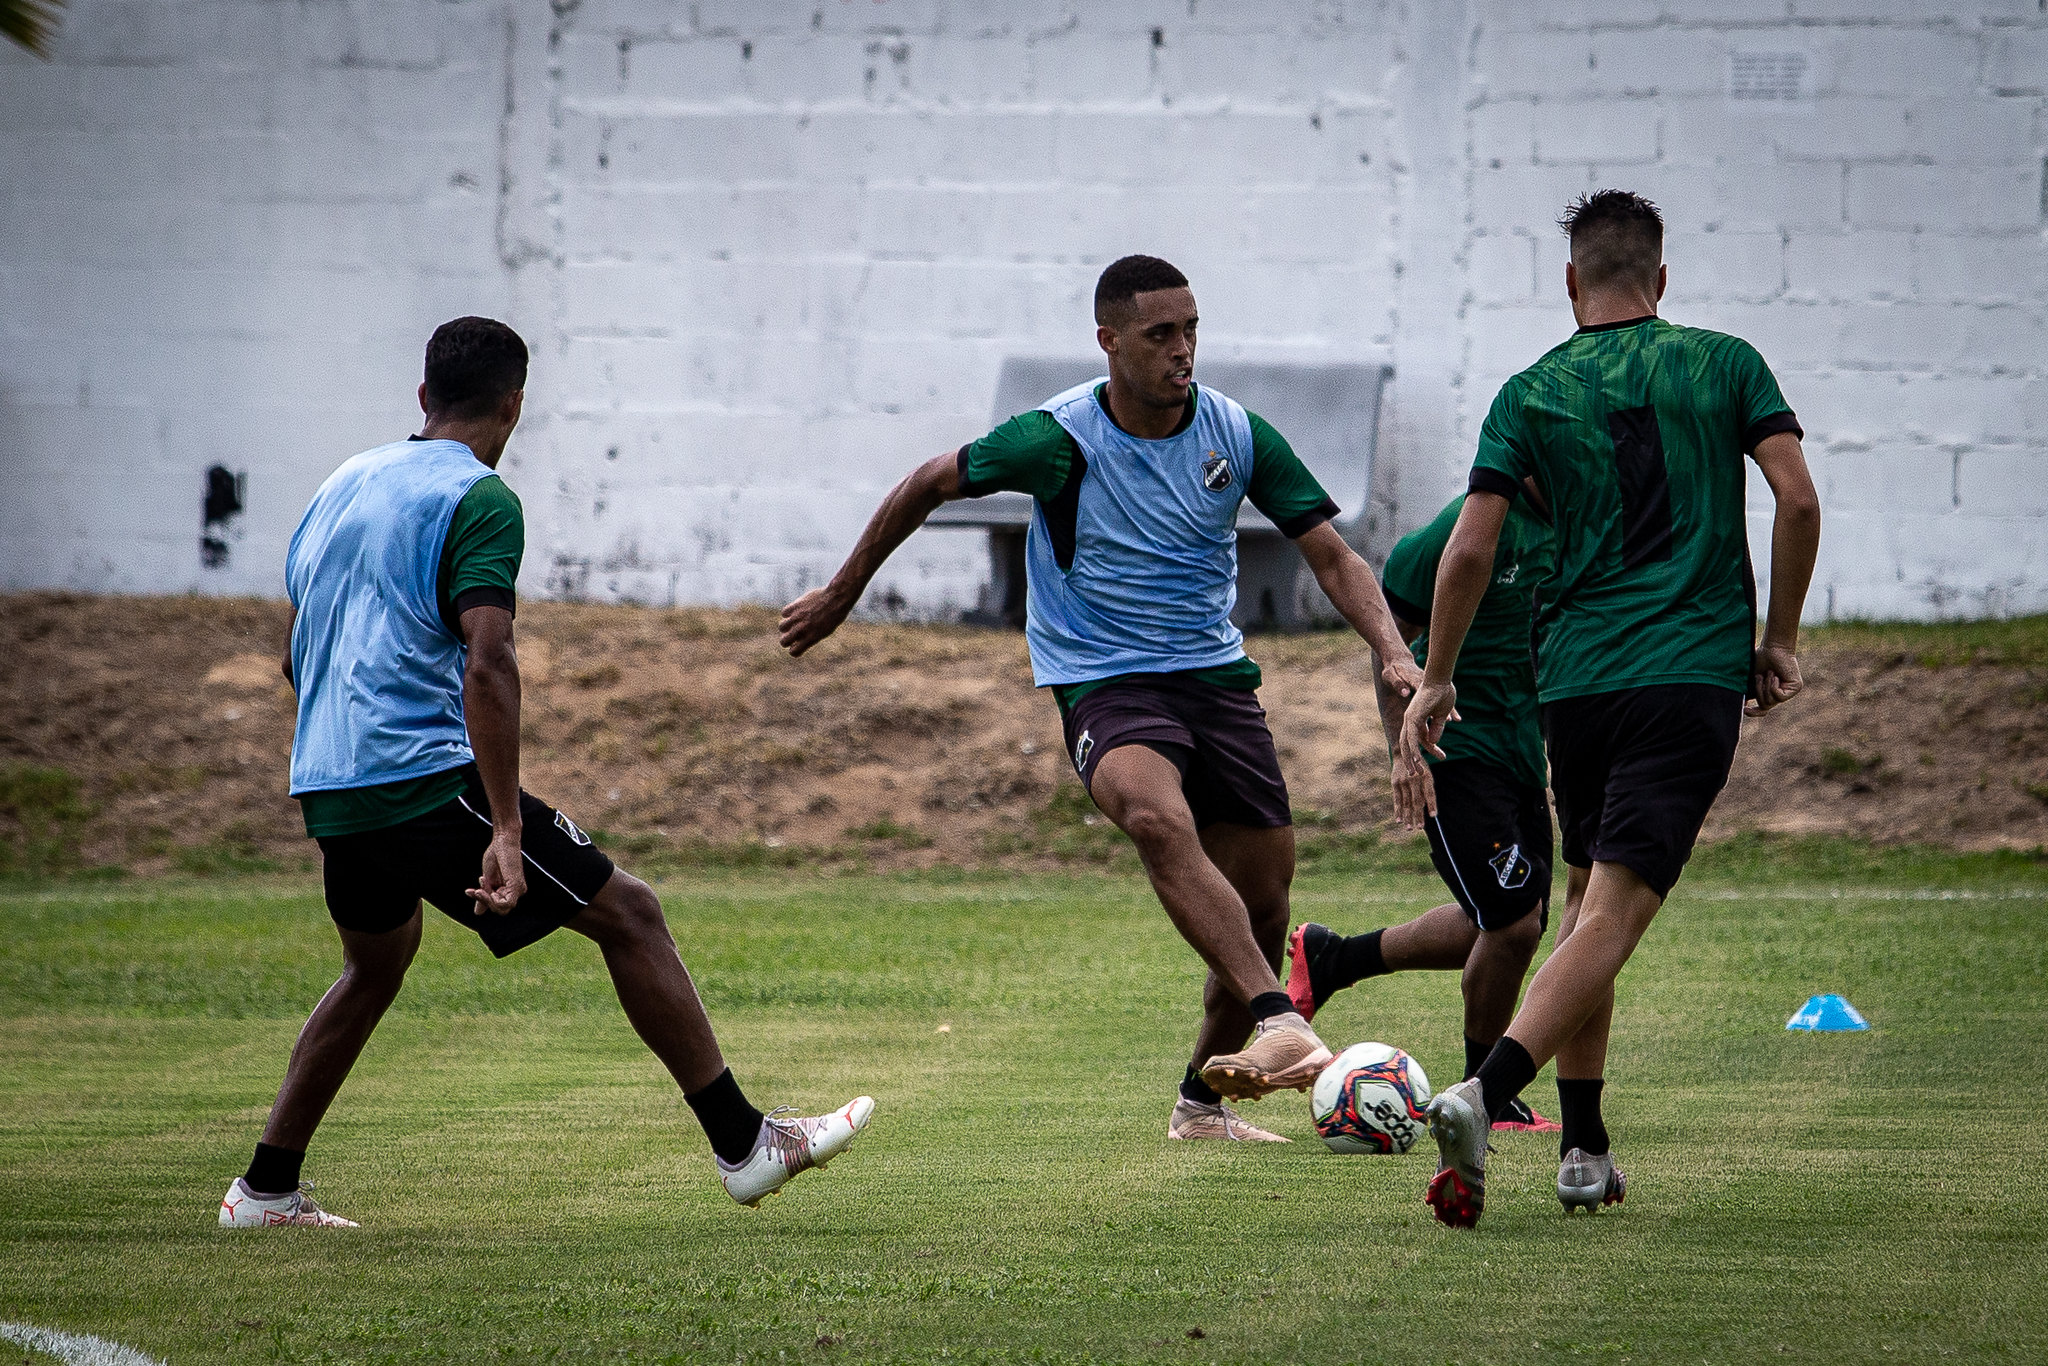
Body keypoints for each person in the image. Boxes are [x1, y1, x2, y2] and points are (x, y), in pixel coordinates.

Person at [220, 317, 872, 1228]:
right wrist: (508, 828)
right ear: (515, 403)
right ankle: (745, 1144)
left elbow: (299, 655)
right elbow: (489, 659)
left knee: (375, 965)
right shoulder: (480, 500)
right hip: (417, 776)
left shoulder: (340, 484)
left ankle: (265, 1189)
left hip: (329, 785)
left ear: (422, 398)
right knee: (631, 914)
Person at [780, 256, 1424, 1143]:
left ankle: (1199, 1109)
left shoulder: (1235, 434)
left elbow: (1333, 555)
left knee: (1264, 905)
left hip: (1214, 679)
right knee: (1156, 819)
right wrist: (844, 591)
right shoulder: (1059, 439)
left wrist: (1393, 651)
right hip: (1104, 679)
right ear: (1109, 341)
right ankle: (1283, 1021)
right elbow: (931, 479)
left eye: (1192, 329)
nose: (1183, 351)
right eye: (1161, 334)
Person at [1398, 192, 1821, 1227]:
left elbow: (1467, 547)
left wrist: (1436, 679)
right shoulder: (1724, 362)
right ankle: (1481, 1094)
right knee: (1618, 911)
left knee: (1589, 900)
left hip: (1574, 687)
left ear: (1569, 282)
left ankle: (1584, 1148)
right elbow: (1797, 499)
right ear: (1661, 279)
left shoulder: (1528, 390)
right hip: (1682, 674)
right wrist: (1777, 638)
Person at [1283, 489, 1561, 1134]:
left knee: (1509, 920)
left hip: (1522, 754)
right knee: (1513, 924)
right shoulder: (1447, 536)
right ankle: (1487, 1093)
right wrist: (1404, 753)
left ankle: (1334, 959)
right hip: (1455, 752)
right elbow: (1391, 652)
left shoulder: (1573, 522)